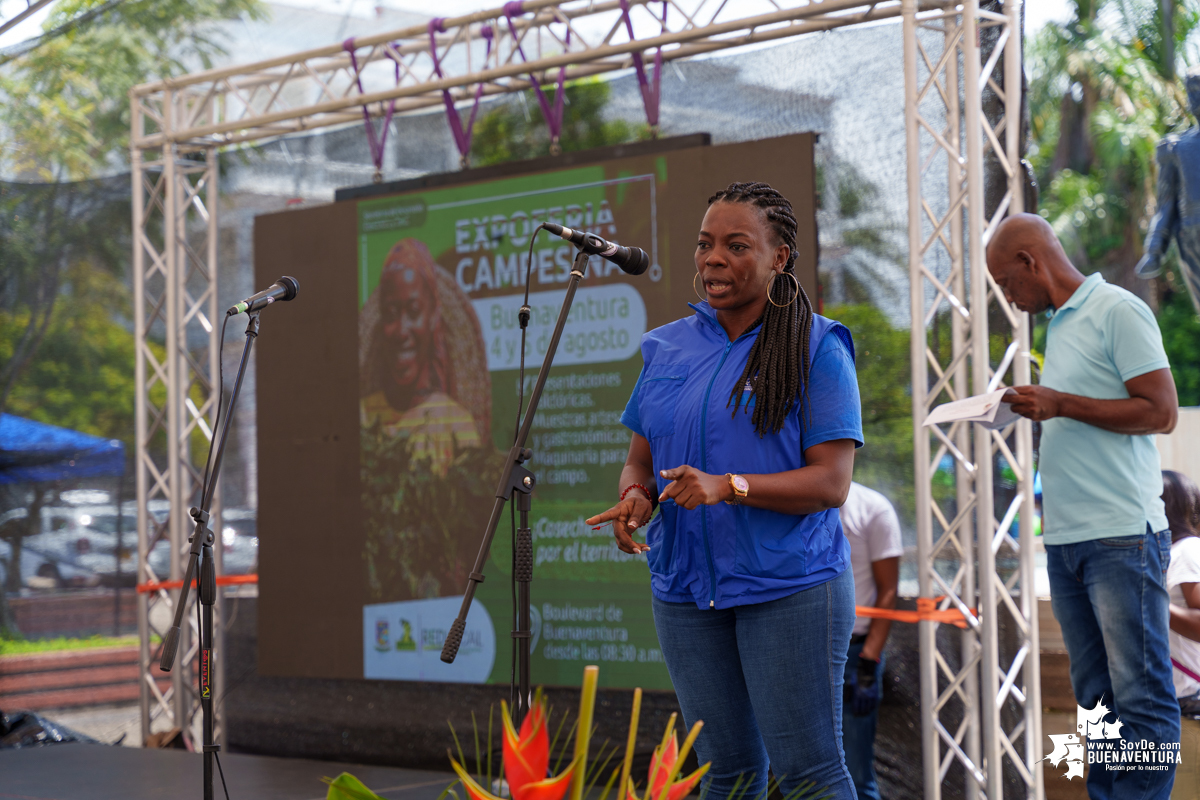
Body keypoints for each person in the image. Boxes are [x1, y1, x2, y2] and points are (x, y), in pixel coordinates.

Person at [586, 182, 863, 800]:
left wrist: (727, 487)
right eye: (706, 244)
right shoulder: (667, 347)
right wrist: (637, 499)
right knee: (725, 777)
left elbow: (832, 483)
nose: (712, 258)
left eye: (736, 246)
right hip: (686, 593)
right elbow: (641, 460)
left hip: (788, 588)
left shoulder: (817, 345)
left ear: (779, 257)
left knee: (809, 774)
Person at [986, 213, 1180, 799]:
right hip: (1068, 540)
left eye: (1006, 281)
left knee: (1140, 699)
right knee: (1097, 700)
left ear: (1030, 263)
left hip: (1122, 535)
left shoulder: (1118, 310)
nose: (1007, 296)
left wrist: (1062, 404)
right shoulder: (1061, 326)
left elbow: (1161, 411)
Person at [360, 238, 481, 472]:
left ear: (433, 316)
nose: (401, 331)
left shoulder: (457, 425)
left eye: (414, 311)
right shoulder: (364, 417)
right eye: (391, 314)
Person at [839, 481, 902, 800]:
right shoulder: (791, 505)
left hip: (854, 650)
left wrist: (868, 663)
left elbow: (888, 589)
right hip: (801, 647)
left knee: (856, 770)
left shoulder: (873, 509)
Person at [1163, 470, 1200, 715]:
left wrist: (1151, 603)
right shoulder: (1166, 553)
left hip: (1186, 697)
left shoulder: (1187, 550)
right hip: (1170, 697)